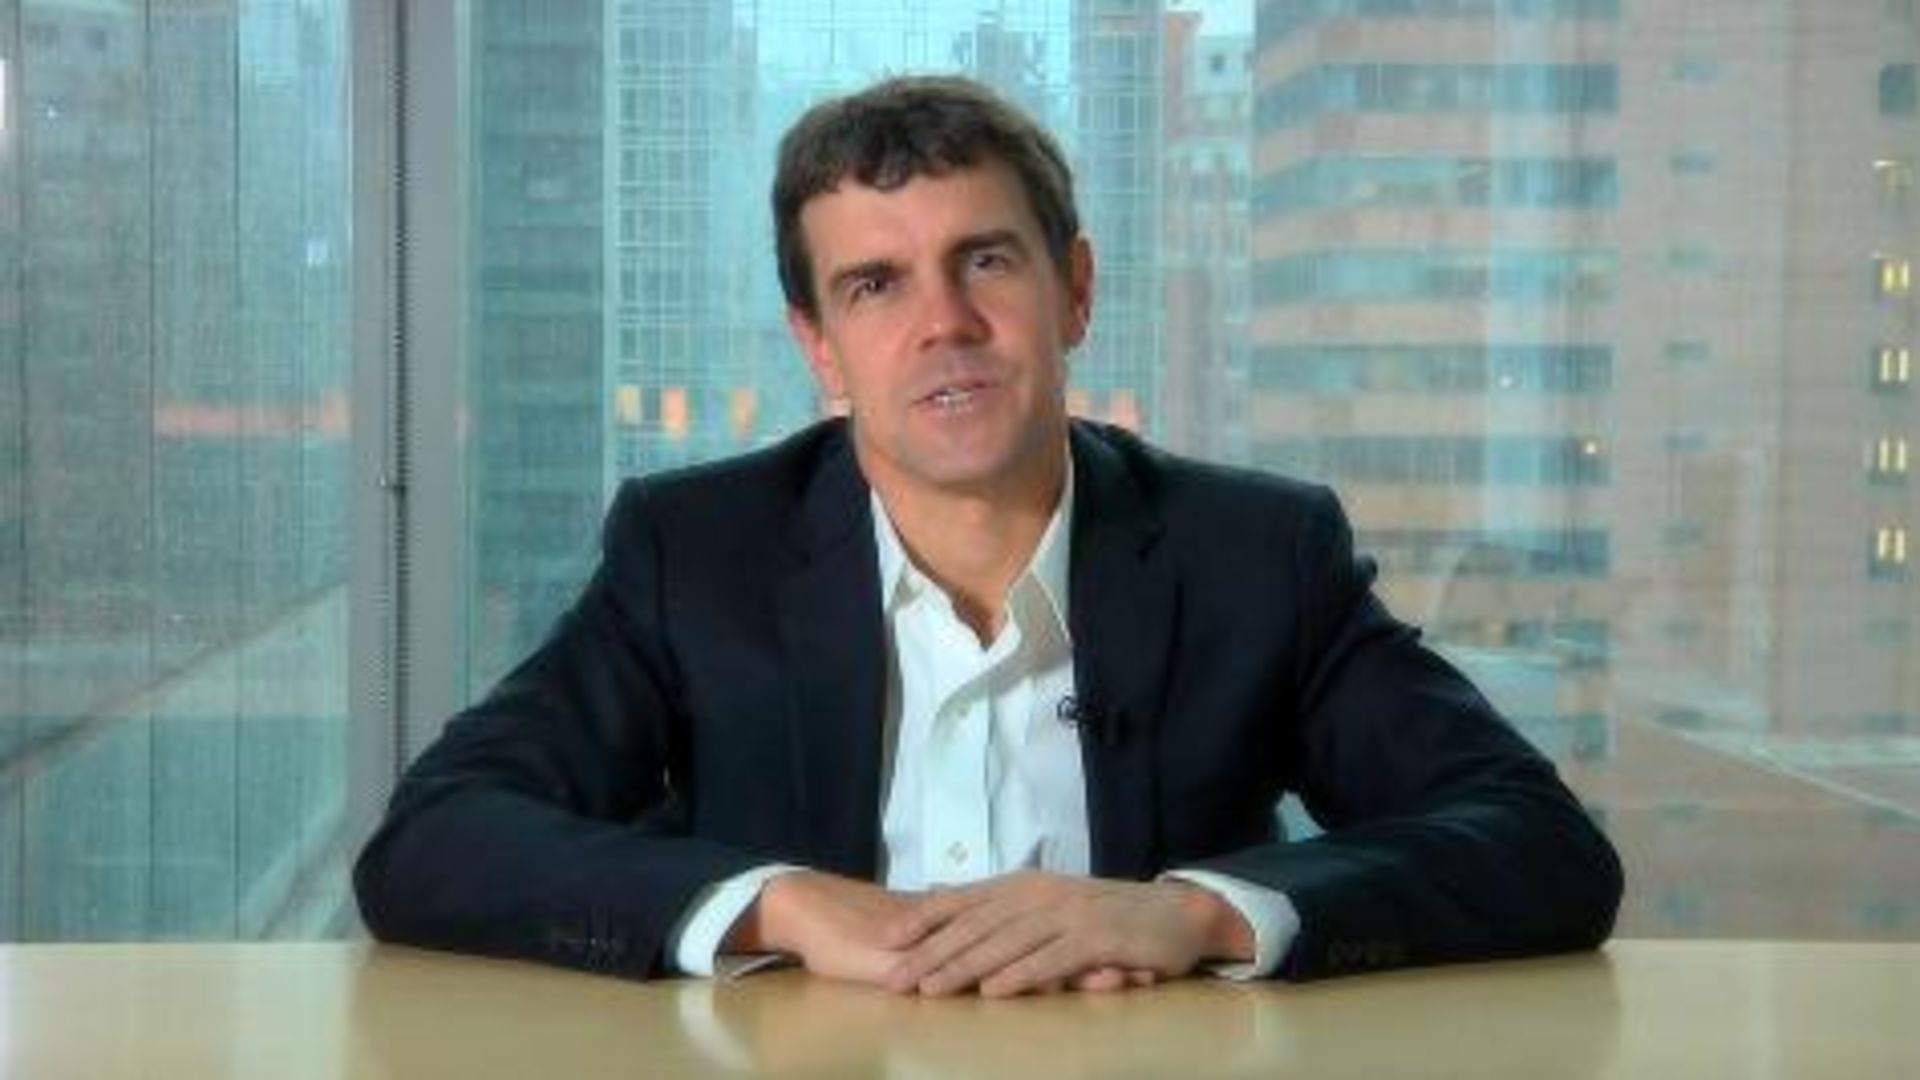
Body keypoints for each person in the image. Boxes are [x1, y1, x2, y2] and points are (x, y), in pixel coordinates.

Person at [354, 74, 1622, 995]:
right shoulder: (696, 551)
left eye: (987, 263)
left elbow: (1537, 843)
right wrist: (778, 906)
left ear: (1076, 290)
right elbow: (435, 837)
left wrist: (1196, 916)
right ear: (819, 347)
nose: (943, 324)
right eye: (875, 284)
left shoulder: (1258, 553)